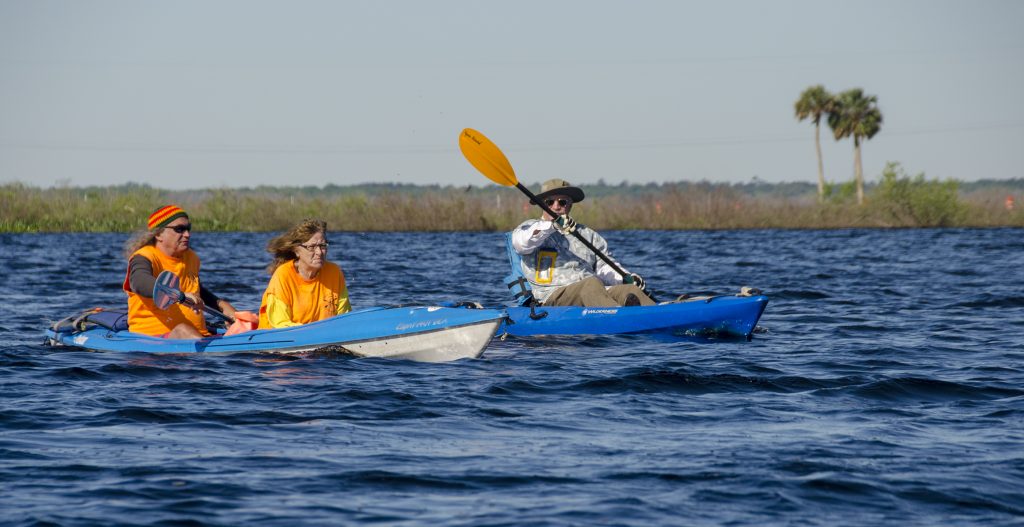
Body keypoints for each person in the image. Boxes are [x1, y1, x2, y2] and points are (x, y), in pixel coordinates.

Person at [511, 179, 655, 307]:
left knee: (629, 290)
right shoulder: (529, 228)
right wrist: (552, 226)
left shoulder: (588, 234)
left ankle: (660, 313)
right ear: (542, 205)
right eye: (550, 202)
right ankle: (620, 318)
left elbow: (603, 267)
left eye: (562, 202)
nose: (556, 207)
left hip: (594, 292)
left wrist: (624, 278)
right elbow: (521, 244)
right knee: (591, 284)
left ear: (570, 205)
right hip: (552, 296)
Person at [123, 205, 238, 338]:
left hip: (198, 334)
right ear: (159, 233)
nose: (187, 234)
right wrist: (178, 295)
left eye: (188, 229)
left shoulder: (191, 258)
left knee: (243, 322)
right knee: (183, 330)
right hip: (154, 336)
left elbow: (196, 290)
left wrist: (222, 306)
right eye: (179, 229)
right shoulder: (144, 257)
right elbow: (139, 283)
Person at [257, 219, 351, 329]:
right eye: (311, 247)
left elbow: (345, 317)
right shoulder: (283, 276)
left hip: (322, 337)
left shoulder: (334, 272)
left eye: (323, 246)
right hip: (277, 340)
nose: (319, 252)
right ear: (296, 250)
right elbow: (280, 324)